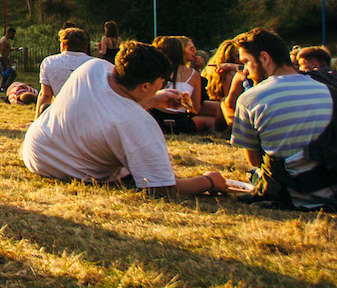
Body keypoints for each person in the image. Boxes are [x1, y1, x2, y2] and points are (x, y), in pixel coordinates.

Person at [22, 41, 226, 196]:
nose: (161, 86)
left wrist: (151, 99)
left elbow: (106, 106)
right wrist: (209, 181)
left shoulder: (93, 68)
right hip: (70, 170)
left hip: (37, 153)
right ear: (145, 86)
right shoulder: (139, 123)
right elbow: (160, 187)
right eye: (160, 83)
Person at [225, 28, 337, 210]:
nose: (245, 70)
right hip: (332, 191)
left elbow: (254, 160)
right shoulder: (329, 92)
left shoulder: (249, 99)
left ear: (264, 58)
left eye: (246, 62)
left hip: (289, 194)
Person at [36, 27, 94, 118]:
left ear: (63, 44)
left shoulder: (49, 62)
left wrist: (37, 121)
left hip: (61, 115)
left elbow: (46, 95)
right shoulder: (94, 64)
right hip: (89, 115)